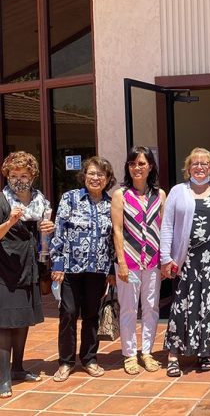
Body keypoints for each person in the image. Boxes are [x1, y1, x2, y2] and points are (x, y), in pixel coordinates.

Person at [161, 147, 210, 377]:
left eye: (205, 163)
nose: (200, 167)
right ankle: (173, 354)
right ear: (188, 167)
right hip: (185, 259)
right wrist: (166, 257)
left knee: (206, 305)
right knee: (182, 305)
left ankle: (204, 352)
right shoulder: (178, 191)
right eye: (195, 163)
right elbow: (168, 226)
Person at [50, 156, 117, 382]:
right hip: (70, 268)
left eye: (101, 174)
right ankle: (65, 362)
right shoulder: (70, 198)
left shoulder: (111, 204)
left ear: (108, 179)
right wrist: (57, 263)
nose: (95, 178)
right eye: (91, 173)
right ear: (84, 175)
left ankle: (89, 358)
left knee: (92, 315)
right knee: (68, 313)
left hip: (98, 270)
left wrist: (112, 270)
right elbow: (59, 231)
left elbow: (114, 239)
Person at [0, 152, 54, 398]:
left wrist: (49, 227)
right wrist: (10, 221)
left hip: (29, 267)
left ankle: (19, 368)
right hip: (5, 271)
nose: (19, 179)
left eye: (23, 175)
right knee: (5, 325)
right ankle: (3, 378)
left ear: (32, 176)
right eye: (13, 175)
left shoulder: (39, 201)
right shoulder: (2, 201)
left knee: (22, 321)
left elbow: (43, 233)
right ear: (7, 176)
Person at [111, 146, 166, 375]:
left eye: (142, 163)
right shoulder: (120, 195)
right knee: (129, 309)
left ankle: (147, 352)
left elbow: (164, 229)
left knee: (152, 308)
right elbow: (117, 230)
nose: (137, 168)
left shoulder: (160, 195)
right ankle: (130, 354)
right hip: (129, 262)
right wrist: (122, 261)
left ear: (150, 166)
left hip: (153, 261)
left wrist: (165, 260)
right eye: (133, 164)